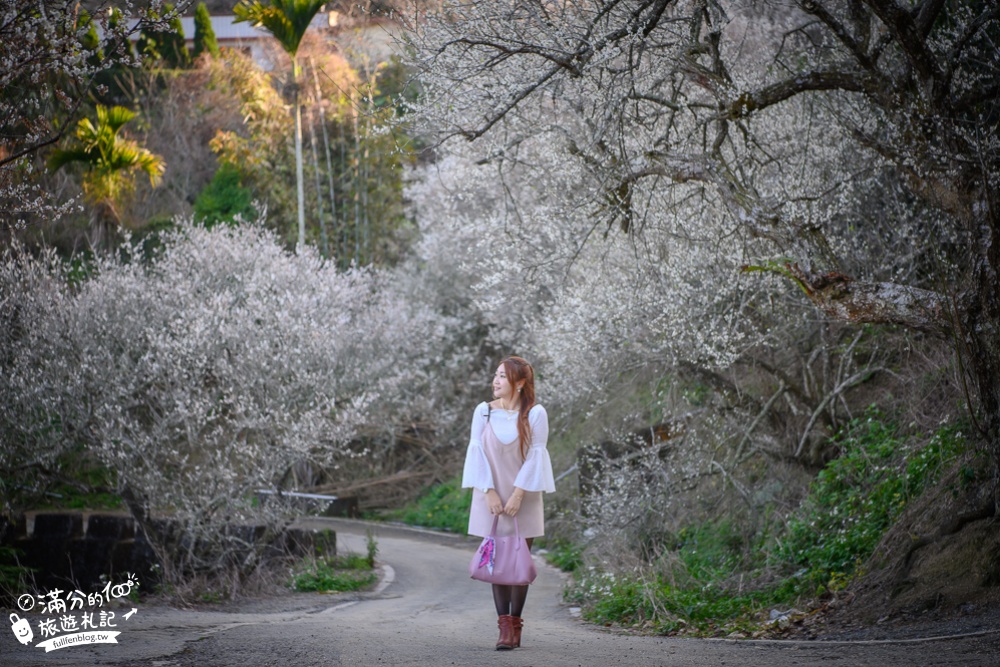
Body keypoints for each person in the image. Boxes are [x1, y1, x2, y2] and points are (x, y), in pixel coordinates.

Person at [462, 355, 556, 650]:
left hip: (523, 496)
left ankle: (516, 625)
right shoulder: (483, 412)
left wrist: (517, 494)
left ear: (521, 382)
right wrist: (489, 491)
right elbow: (476, 453)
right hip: (489, 494)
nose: (496, 380)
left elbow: (536, 456)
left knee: (517, 561)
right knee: (496, 563)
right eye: (496, 375)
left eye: (503, 376)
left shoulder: (535, 413)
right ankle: (504, 628)